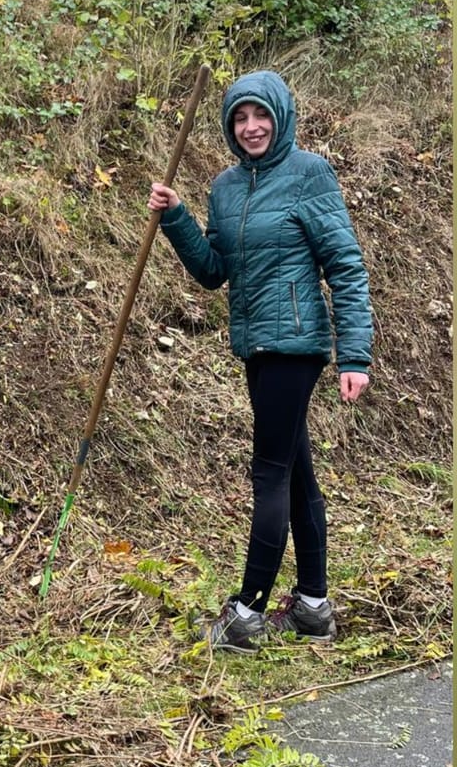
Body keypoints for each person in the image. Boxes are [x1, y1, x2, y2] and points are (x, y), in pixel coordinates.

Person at [149, 71, 372, 651]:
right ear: (230, 125)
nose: (251, 128)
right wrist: (176, 218)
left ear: (280, 116)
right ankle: (314, 608)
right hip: (255, 344)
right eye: (240, 118)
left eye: (261, 115)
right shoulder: (224, 187)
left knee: (269, 474)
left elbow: (345, 266)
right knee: (295, 473)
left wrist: (354, 355)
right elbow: (213, 271)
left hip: (294, 348)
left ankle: (246, 614)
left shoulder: (309, 175)